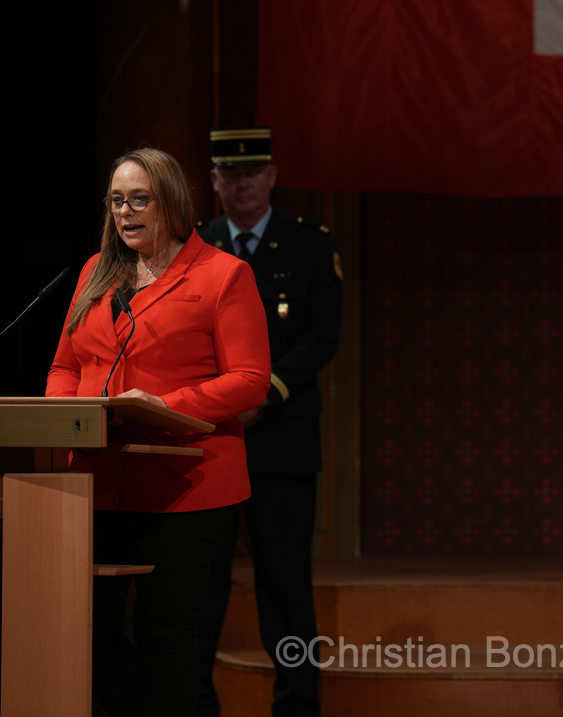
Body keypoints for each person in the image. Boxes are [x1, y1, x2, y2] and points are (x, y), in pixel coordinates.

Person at [47, 147, 271, 717]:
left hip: (185, 484)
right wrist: (65, 416)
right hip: (96, 481)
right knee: (86, 632)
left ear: (170, 201)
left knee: (167, 635)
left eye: (139, 198)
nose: (126, 211)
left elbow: (250, 381)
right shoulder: (94, 275)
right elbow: (65, 368)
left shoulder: (224, 274)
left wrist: (164, 405)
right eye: (117, 200)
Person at [195, 126, 344, 717]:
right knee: (202, 584)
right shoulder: (195, 246)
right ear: (213, 182)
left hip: (280, 437)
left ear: (273, 176)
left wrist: (265, 394)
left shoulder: (309, 245)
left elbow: (322, 336)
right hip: (208, 439)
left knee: (284, 584)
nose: (242, 183)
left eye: (252, 172)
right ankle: (195, 705)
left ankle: (298, 705)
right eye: (230, 175)